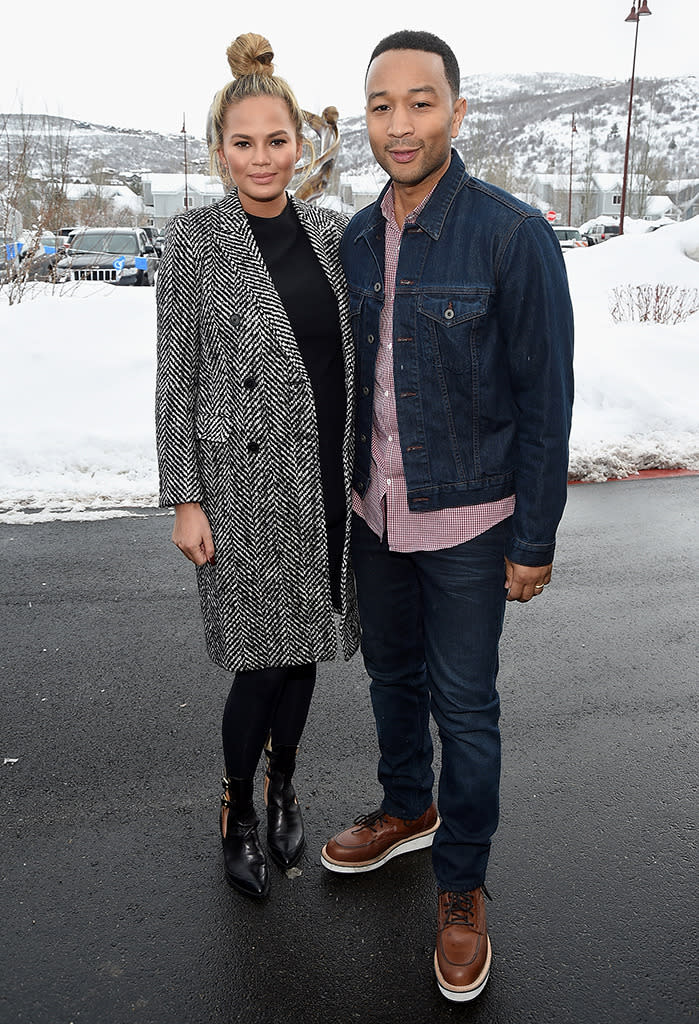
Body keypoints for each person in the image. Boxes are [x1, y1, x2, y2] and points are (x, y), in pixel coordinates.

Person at [320, 30, 574, 1002]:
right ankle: (405, 808)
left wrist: (535, 535)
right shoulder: (353, 235)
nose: (400, 123)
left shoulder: (512, 235)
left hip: (471, 518)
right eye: (382, 105)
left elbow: (546, 397)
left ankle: (461, 884)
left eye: (420, 102)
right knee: (389, 673)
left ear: (458, 114)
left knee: (465, 705)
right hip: (377, 511)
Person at [155, 32, 359, 900]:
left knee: (303, 649)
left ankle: (286, 792)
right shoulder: (194, 241)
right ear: (217, 151)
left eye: (277, 140)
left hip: (323, 480)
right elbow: (176, 377)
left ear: (301, 143)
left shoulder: (332, 232)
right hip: (237, 487)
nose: (262, 157)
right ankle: (236, 808)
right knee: (258, 660)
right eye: (243, 142)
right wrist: (184, 497)